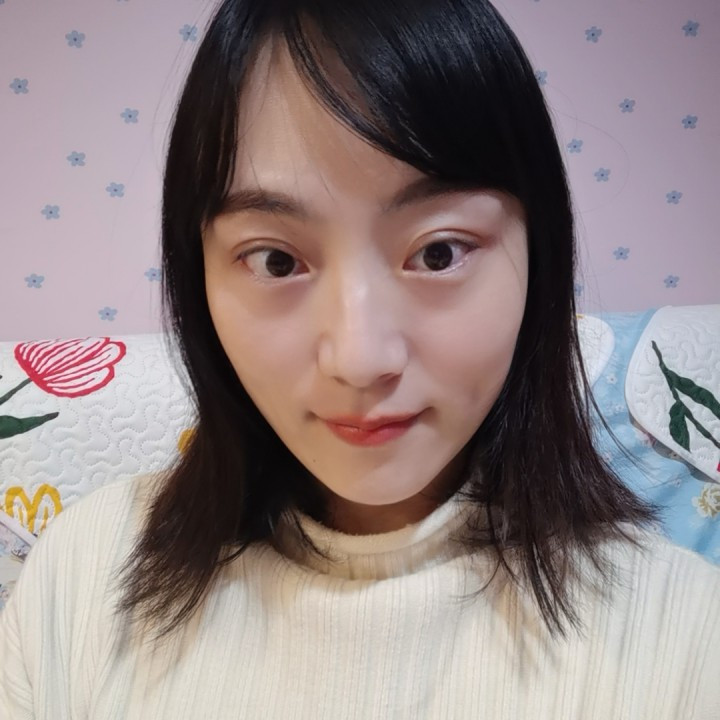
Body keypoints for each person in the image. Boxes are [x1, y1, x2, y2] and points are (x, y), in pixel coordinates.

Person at [1, 0, 719, 717]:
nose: (360, 359)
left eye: (438, 253)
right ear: (199, 276)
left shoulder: (681, 636)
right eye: (276, 260)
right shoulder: (84, 579)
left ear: (540, 257)